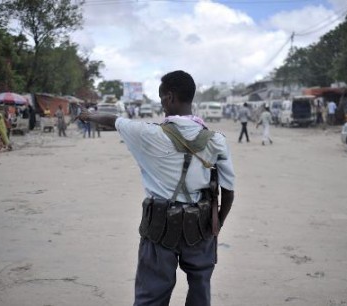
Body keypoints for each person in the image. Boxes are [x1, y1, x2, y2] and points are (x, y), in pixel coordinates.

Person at [78, 70, 235, 306]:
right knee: (200, 293)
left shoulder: (148, 133)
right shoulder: (216, 140)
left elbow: (114, 121)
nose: (162, 105)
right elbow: (229, 191)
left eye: (162, 98)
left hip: (160, 227)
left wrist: (89, 116)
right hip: (201, 228)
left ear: (170, 97)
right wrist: (217, 224)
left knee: (151, 296)